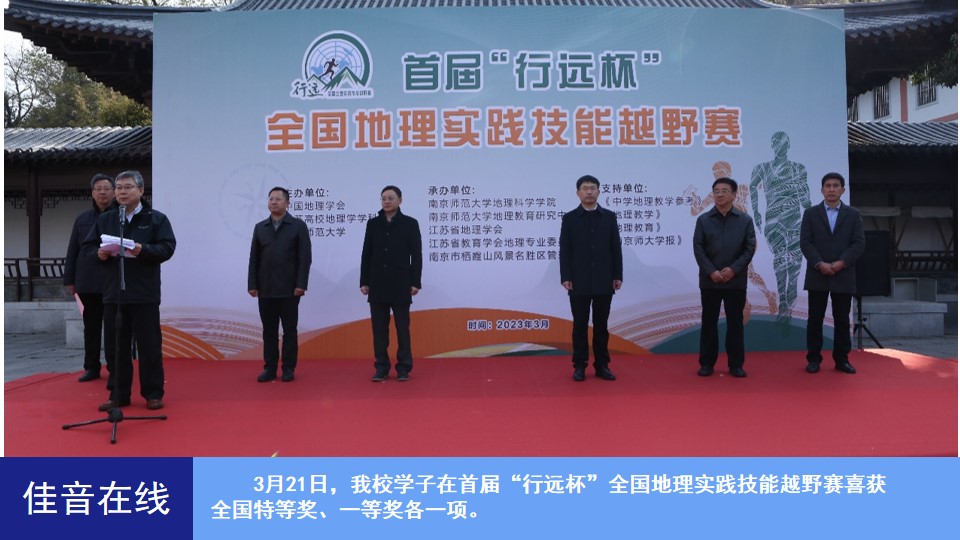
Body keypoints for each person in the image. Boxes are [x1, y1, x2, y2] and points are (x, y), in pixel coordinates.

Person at [84, 170, 176, 411]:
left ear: (141, 190)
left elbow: (167, 247)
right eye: (119, 188)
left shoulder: (155, 219)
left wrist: (143, 249)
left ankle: (153, 393)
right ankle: (118, 394)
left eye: (128, 187)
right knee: (116, 348)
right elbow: (88, 249)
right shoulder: (107, 219)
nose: (122, 192)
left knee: (149, 347)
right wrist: (99, 254)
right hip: (114, 293)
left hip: (144, 293)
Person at [559, 174, 623, 382]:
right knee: (579, 325)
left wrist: (617, 275)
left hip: (604, 279)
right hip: (578, 280)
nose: (589, 192)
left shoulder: (609, 217)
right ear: (578, 193)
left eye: (592, 188)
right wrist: (566, 276)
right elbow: (565, 250)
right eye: (585, 188)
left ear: (599, 191)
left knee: (601, 325)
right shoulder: (569, 218)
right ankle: (579, 365)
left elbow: (615, 248)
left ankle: (602, 365)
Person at [800, 172, 865, 374]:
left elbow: (859, 243)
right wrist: (819, 263)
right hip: (818, 273)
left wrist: (841, 263)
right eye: (827, 186)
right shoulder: (811, 213)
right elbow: (806, 242)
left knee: (842, 320)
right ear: (822, 190)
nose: (831, 189)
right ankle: (813, 359)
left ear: (842, 190)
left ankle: (842, 359)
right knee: (815, 319)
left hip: (843, 274)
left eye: (835, 186)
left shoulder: (853, 214)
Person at [693, 177, 757, 377]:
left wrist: (734, 269)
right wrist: (711, 271)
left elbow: (749, 248)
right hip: (710, 281)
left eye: (724, 191)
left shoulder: (745, 220)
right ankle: (707, 363)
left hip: (735, 281)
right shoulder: (703, 220)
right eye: (716, 191)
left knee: (735, 324)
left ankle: (736, 364)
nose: (719, 195)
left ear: (734, 194)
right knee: (709, 323)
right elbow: (698, 248)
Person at [248, 187, 312, 383]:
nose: (273, 202)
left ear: (287, 203)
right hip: (266, 288)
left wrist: (301, 284)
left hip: (289, 289)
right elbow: (254, 258)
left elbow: (304, 258)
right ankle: (269, 368)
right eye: (271, 199)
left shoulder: (297, 226)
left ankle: (288, 368)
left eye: (278, 199)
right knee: (269, 331)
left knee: (289, 331)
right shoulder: (260, 227)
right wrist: (252, 284)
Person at [360, 185, 422, 382]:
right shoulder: (373, 224)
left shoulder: (410, 224)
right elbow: (366, 253)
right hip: (377, 283)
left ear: (400, 200)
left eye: (390, 198)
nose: (386, 201)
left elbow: (417, 255)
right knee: (379, 330)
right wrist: (364, 281)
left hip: (401, 282)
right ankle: (381, 367)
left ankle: (403, 367)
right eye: (383, 198)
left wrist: (415, 282)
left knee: (402, 328)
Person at [750, 132, 811, 324]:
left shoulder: (798, 168)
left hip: (794, 219)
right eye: (776, 143)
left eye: (783, 143)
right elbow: (752, 187)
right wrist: (756, 212)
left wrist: (801, 192)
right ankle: (783, 300)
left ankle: (788, 302)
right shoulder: (763, 167)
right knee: (780, 256)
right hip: (774, 219)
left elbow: (806, 200)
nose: (779, 146)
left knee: (794, 263)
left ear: (788, 146)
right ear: (772, 145)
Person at [64, 173, 115, 382]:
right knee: (91, 327)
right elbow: (72, 250)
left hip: (112, 281)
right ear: (92, 193)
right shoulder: (82, 219)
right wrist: (69, 279)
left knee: (114, 328)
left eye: (106, 189)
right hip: (87, 281)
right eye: (98, 189)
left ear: (114, 192)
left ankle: (115, 367)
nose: (102, 192)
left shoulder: (120, 217)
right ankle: (91, 367)